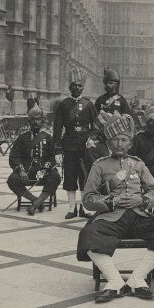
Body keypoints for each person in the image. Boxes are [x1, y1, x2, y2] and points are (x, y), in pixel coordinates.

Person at [77, 113, 154, 303]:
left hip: (138, 215)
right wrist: (112, 202)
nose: (119, 144)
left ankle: (137, 279)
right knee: (88, 235)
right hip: (110, 217)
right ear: (108, 143)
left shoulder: (138, 164)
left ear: (130, 143)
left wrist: (141, 200)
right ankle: (115, 281)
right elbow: (88, 199)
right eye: (115, 140)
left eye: (124, 140)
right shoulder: (99, 166)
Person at [53, 68, 98, 219]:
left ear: (83, 87)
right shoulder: (63, 105)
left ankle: (85, 208)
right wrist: (58, 150)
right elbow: (57, 129)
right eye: (74, 85)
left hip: (86, 146)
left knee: (85, 176)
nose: (77, 88)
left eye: (80, 86)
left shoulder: (89, 105)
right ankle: (72, 209)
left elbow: (97, 126)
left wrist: (92, 138)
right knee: (70, 176)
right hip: (69, 145)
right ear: (70, 86)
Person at [6, 106, 61, 215]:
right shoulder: (22, 138)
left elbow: (52, 157)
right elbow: (14, 156)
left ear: (42, 121)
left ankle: (36, 204)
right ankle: (36, 201)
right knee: (12, 179)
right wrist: (21, 171)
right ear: (29, 121)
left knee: (56, 177)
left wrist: (45, 170)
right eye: (33, 119)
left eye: (38, 119)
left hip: (43, 172)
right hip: (26, 172)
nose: (35, 122)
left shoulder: (48, 138)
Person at [86, 67, 134, 171]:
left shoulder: (121, 101)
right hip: (102, 139)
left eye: (111, 83)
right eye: (107, 83)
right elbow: (94, 119)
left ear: (116, 84)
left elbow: (127, 120)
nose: (108, 85)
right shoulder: (100, 100)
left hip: (117, 139)